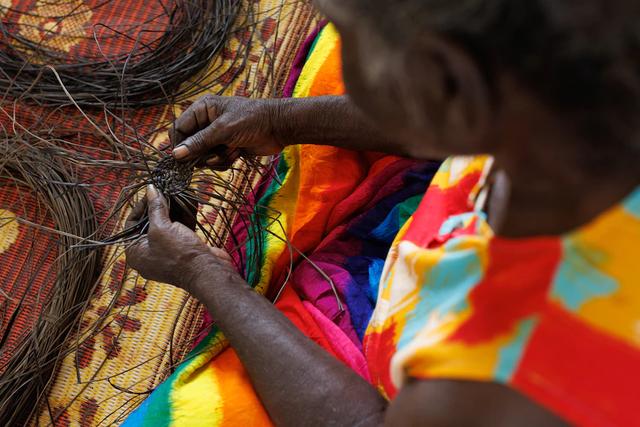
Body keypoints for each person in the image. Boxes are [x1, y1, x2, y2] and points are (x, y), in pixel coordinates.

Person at [125, 0, 640, 425]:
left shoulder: (487, 385)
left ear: (450, 85)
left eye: (340, 30)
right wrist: (278, 120)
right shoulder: (575, 92)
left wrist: (204, 272)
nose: (338, 39)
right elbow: (448, 105)